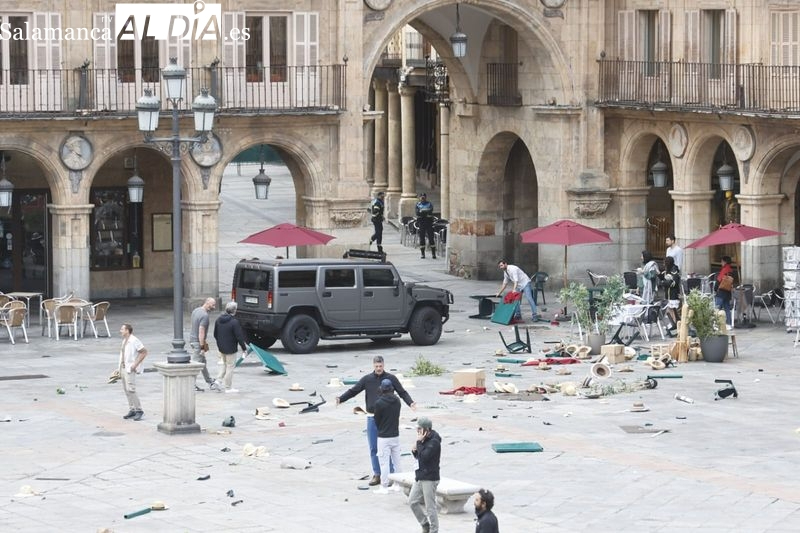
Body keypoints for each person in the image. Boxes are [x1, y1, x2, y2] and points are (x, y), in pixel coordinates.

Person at [336, 355, 417, 486]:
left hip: (387, 418)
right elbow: (354, 390)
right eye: (376, 366)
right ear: (373, 366)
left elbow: (402, 392)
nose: (379, 369)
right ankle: (377, 474)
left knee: (389, 446)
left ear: (383, 365)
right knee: (374, 447)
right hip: (372, 417)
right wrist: (341, 398)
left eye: (380, 366)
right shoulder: (367, 379)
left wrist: (410, 402)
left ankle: (390, 475)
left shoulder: (390, 378)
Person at [409, 417, 441, 533]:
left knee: (430, 507)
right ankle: (425, 524)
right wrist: (415, 451)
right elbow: (419, 457)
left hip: (430, 478)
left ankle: (434, 530)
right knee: (412, 501)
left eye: (419, 429)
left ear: (426, 430)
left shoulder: (434, 441)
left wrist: (418, 444)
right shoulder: (423, 440)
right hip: (420, 476)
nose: (418, 432)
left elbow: (425, 457)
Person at [212, 301, 249, 393]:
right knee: (230, 367)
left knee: (225, 364)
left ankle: (218, 380)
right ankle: (228, 388)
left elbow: (215, 334)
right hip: (231, 348)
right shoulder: (234, 322)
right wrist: (244, 349)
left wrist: (220, 343)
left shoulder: (218, 320)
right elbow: (239, 337)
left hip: (221, 347)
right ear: (234, 311)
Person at [373, 378, 402, 494]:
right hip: (395, 434)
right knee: (397, 461)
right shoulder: (397, 401)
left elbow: (377, 420)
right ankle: (398, 484)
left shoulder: (379, 403)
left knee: (384, 462)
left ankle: (384, 486)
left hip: (383, 436)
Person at [119, 323, 148, 421]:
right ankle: (132, 409)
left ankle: (139, 410)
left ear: (127, 330)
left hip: (130, 368)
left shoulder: (134, 340)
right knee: (126, 390)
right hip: (123, 367)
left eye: (122, 329)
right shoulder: (124, 341)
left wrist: (135, 364)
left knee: (131, 389)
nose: (120, 331)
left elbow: (144, 352)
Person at [189, 297, 217, 391]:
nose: (214, 307)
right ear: (207, 303)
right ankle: (191, 385)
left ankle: (209, 381)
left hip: (194, 340)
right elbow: (201, 332)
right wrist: (202, 347)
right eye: (212, 305)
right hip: (198, 342)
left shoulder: (196, 311)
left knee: (203, 362)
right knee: (196, 365)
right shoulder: (204, 316)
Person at [659, 255, 681, 336]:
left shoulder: (674, 270)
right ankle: (673, 325)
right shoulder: (667, 270)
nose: (663, 263)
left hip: (673, 294)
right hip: (669, 294)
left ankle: (676, 326)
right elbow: (663, 277)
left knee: (672, 311)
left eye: (665, 262)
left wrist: (664, 283)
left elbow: (674, 282)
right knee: (670, 311)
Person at [415, 193, 436, 259]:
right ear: (420, 198)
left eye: (424, 197)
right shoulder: (418, 204)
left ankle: (433, 253)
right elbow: (417, 213)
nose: (422, 198)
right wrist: (425, 212)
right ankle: (422, 254)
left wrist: (422, 212)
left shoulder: (429, 204)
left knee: (431, 238)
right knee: (422, 238)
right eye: (421, 197)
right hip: (421, 223)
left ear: (426, 197)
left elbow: (430, 211)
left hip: (429, 223)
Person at [715, 255, 734, 325]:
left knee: (717, 308)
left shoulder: (724, 270)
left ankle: (715, 324)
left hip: (721, 292)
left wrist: (715, 289)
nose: (721, 263)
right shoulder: (731, 270)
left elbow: (718, 280)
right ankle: (729, 324)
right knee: (727, 309)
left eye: (722, 261)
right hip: (728, 292)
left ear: (725, 262)